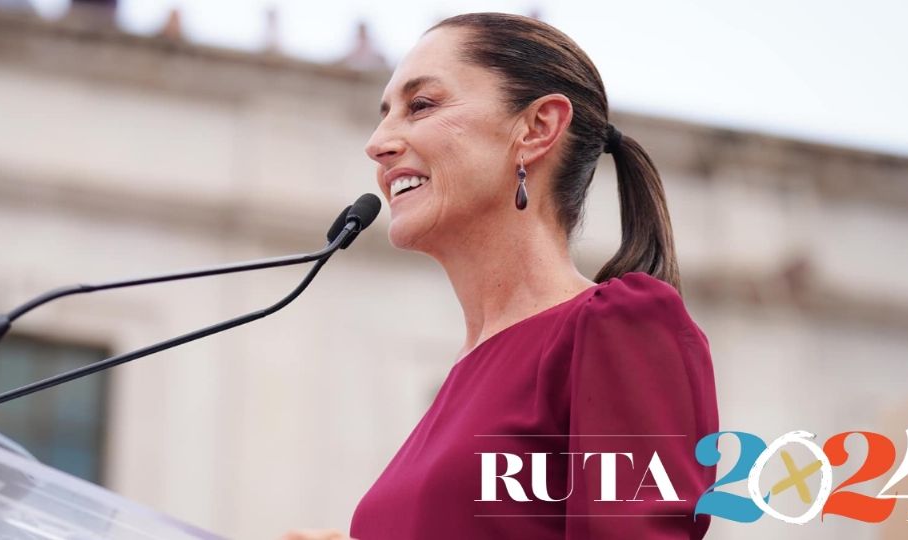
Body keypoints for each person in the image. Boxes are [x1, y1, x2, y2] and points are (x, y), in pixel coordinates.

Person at [280, 11, 718, 540]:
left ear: (537, 128)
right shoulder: (464, 376)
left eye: (421, 105)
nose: (378, 142)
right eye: (384, 113)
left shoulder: (617, 326)